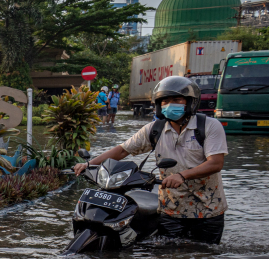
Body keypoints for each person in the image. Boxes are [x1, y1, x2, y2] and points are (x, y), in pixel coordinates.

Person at [73, 76, 228, 244]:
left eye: (176, 100)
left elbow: (215, 163)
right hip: (171, 209)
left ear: (190, 102)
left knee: (206, 257)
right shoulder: (155, 129)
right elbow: (122, 150)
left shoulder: (210, 126)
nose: (170, 105)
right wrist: (89, 164)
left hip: (207, 209)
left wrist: (182, 176)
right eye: (165, 101)